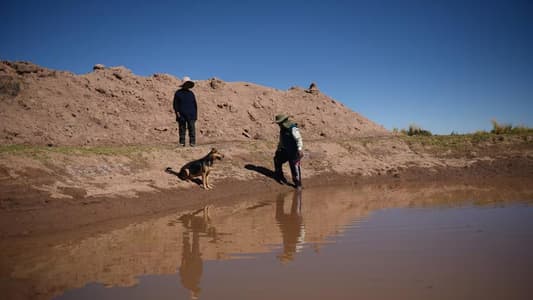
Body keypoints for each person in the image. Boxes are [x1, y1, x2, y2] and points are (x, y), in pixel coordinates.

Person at [273, 114, 304, 189]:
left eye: (279, 123)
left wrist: (299, 149)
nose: (279, 125)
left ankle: (298, 184)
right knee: (277, 159)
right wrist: (278, 149)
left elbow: (299, 139)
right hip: (285, 150)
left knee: (295, 168)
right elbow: (281, 141)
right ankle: (280, 176)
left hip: (294, 151)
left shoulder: (292, 128)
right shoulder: (282, 130)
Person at [173, 76, 198, 147]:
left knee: (192, 129)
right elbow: (175, 104)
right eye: (187, 84)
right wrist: (177, 113)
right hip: (181, 115)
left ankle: (192, 142)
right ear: (184, 84)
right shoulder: (178, 93)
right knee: (182, 129)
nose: (187, 85)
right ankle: (182, 142)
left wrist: (195, 115)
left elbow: (195, 105)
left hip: (191, 115)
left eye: (189, 84)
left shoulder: (191, 94)